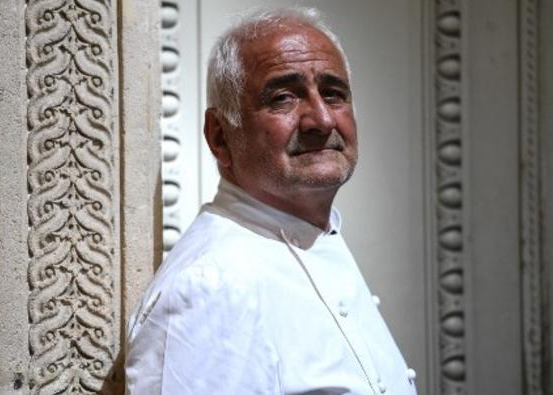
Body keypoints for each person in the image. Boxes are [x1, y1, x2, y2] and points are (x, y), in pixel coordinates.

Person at [125, 7, 417, 395]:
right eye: (283, 98)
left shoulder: (315, 235)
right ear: (220, 137)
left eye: (334, 94)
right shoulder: (213, 285)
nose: (322, 120)